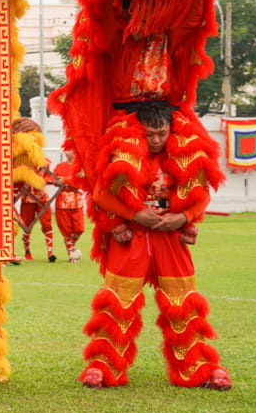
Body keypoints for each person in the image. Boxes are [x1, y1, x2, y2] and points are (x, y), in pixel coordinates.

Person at [80, 103, 232, 390]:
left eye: (161, 133)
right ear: (139, 131)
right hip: (132, 235)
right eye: (149, 134)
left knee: (182, 300)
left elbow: (202, 194)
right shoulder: (121, 154)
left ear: (170, 130)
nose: (155, 140)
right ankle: (103, 367)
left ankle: (197, 368)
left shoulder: (183, 155)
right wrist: (134, 214)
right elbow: (101, 194)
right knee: (118, 301)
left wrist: (184, 217)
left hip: (169, 237)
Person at [13, 163, 57, 262]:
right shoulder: (22, 161)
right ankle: (27, 252)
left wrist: (49, 181)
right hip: (27, 198)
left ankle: (50, 253)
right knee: (27, 226)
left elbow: (49, 177)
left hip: (42, 198)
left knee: (47, 224)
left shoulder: (45, 162)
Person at [53, 150, 84, 263]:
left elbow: (80, 182)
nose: (68, 152)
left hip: (76, 200)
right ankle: (71, 254)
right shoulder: (59, 166)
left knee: (79, 228)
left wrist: (65, 180)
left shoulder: (80, 167)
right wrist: (56, 182)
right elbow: (54, 180)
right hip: (62, 200)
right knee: (66, 230)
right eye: (67, 150)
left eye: (71, 150)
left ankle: (71, 245)